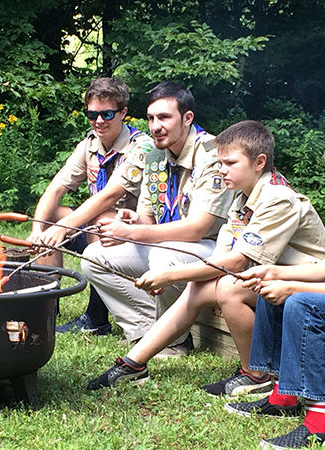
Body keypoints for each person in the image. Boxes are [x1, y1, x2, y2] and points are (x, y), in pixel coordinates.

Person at [86, 120, 325, 393]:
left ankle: (257, 375)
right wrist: (184, 276)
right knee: (200, 286)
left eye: (229, 163)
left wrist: (169, 274)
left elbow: (237, 262)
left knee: (229, 288)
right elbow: (222, 256)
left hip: (307, 284)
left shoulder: (277, 198)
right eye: (220, 163)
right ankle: (134, 364)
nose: (221, 170)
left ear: (259, 162)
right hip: (267, 277)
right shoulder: (242, 197)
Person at [224, 128, 325, 449]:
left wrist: (290, 289)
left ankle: (318, 424)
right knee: (281, 286)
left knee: (301, 303)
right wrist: (272, 273)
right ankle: (284, 397)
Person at [81, 81, 234, 357]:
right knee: (93, 255)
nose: (155, 126)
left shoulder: (211, 154)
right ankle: (147, 331)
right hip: (173, 245)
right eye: (151, 118)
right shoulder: (153, 154)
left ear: (187, 118)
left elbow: (197, 229)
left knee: (163, 257)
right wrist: (131, 222)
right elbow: (148, 222)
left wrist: (130, 234)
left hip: (216, 250)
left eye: (164, 117)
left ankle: (176, 341)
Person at [27, 77, 156, 335]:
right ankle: (48, 306)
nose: (99, 121)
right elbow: (56, 187)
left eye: (107, 114)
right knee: (51, 215)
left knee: (102, 219)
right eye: (92, 114)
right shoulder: (90, 145)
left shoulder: (140, 146)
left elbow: (109, 196)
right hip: (97, 223)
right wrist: (38, 230)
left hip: (136, 231)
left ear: (123, 113)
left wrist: (64, 227)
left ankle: (96, 318)